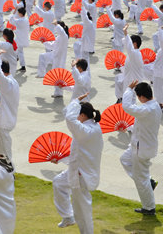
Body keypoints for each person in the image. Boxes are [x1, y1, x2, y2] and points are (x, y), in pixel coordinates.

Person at [53, 94, 103, 232]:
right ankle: (68, 216)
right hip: (78, 169)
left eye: (77, 115)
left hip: (82, 175)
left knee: (82, 209)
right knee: (58, 183)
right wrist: (61, 159)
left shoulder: (85, 130)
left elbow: (69, 118)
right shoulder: (92, 126)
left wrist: (75, 101)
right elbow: (78, 154)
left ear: (82, 115)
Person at [121, 81, 161, 215]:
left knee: (141, 178)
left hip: (142, 148)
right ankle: (148, 182)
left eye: (138, 96)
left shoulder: (147, 109)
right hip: (140, 145)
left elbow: (126, 106)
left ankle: (149, 208)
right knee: (124, 159)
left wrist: (128, 89)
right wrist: (127, 128)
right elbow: (142, 126)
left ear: (142, 96)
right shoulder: (153, 105)